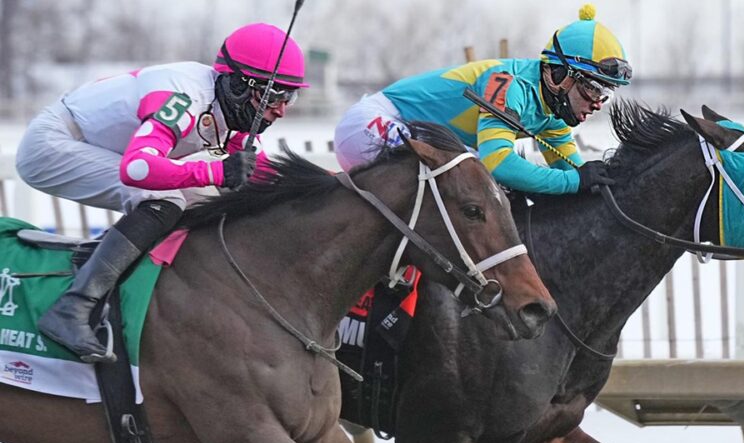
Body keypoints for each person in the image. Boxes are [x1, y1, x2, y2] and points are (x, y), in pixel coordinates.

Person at [16, 23, 308, 363]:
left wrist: (324, 186)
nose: (282, 109)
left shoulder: (229, 105)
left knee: (215, 201)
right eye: (275, 96)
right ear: (240, 85)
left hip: (103, 147)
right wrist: (214, 170)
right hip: (54, 144)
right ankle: (72, 308)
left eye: (290, 96)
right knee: (165, 201)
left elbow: (255, 175)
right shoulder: (183, 97)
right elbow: (137, 169)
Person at [334, 4, 631, 196]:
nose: (597, 103)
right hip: (369, 124)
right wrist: (575, 182)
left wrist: (598, 182)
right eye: (592, 89)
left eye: (604, 93)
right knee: (470, 174)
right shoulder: (508, 84)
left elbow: (573, 173)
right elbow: (498, 163)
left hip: (413, 132)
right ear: (561, 75)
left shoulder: (551, 115)